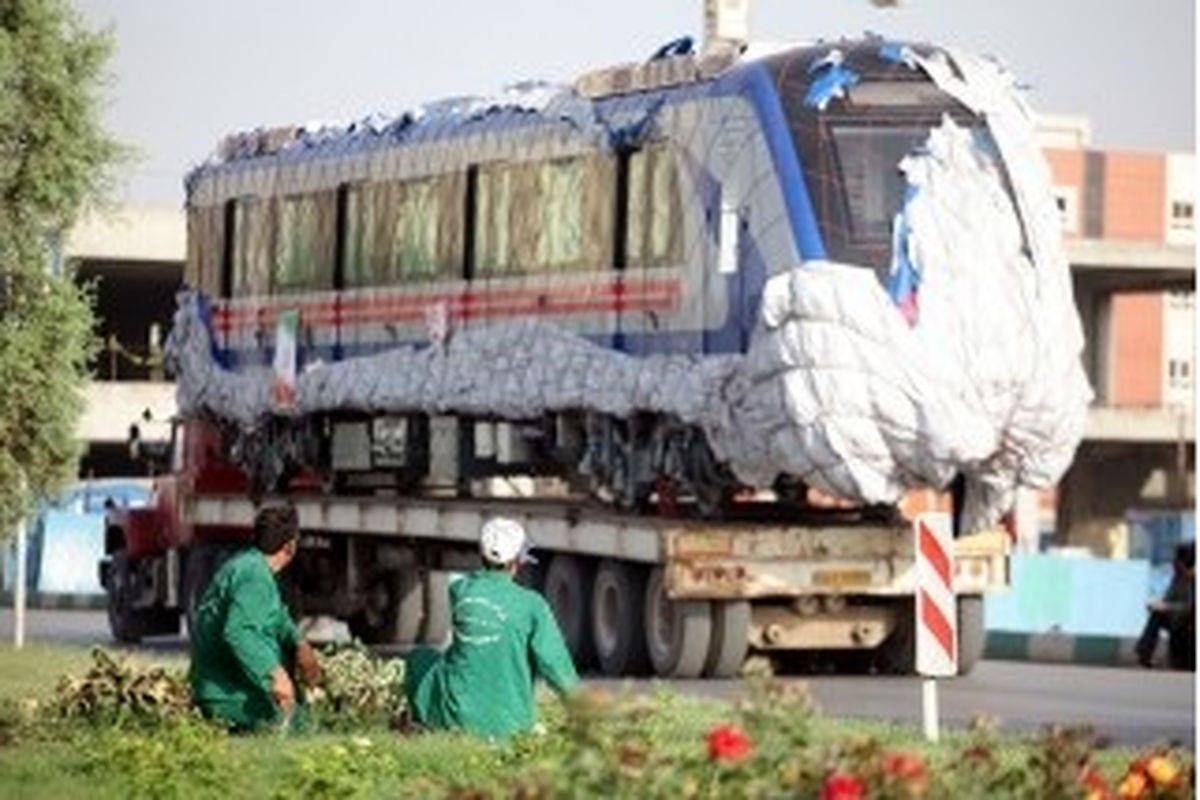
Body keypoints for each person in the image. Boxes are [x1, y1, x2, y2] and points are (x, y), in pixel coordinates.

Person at [404, 517, 579, 738]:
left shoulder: (459, 590)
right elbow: (555, 665)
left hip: (456, 717)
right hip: (513, 725)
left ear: (481, 553)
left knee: (419, 658)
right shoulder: (532, 605)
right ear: (518, 560)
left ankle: (424, 726)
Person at [189, 502, 321, 730]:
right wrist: (274, 675)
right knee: (305, 730)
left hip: (234, 687)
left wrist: (300, 644)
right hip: (230, 696)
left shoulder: (251, 565)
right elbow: (239, 632)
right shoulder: (254, 576)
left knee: (307, 721)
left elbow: (277, 614)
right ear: (290, 547)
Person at [1136, 541, 1195, 670]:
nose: (1173, 563)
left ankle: (1144, 651)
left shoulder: (1192, 581)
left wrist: (1168, 607)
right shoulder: (1178, 578)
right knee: (1156, 615)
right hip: (1177, 617)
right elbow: (1169, 597)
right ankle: (1144, 653)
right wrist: (1160, 604)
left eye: (1177, 560)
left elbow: (1190, 607)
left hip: (1188, 618)